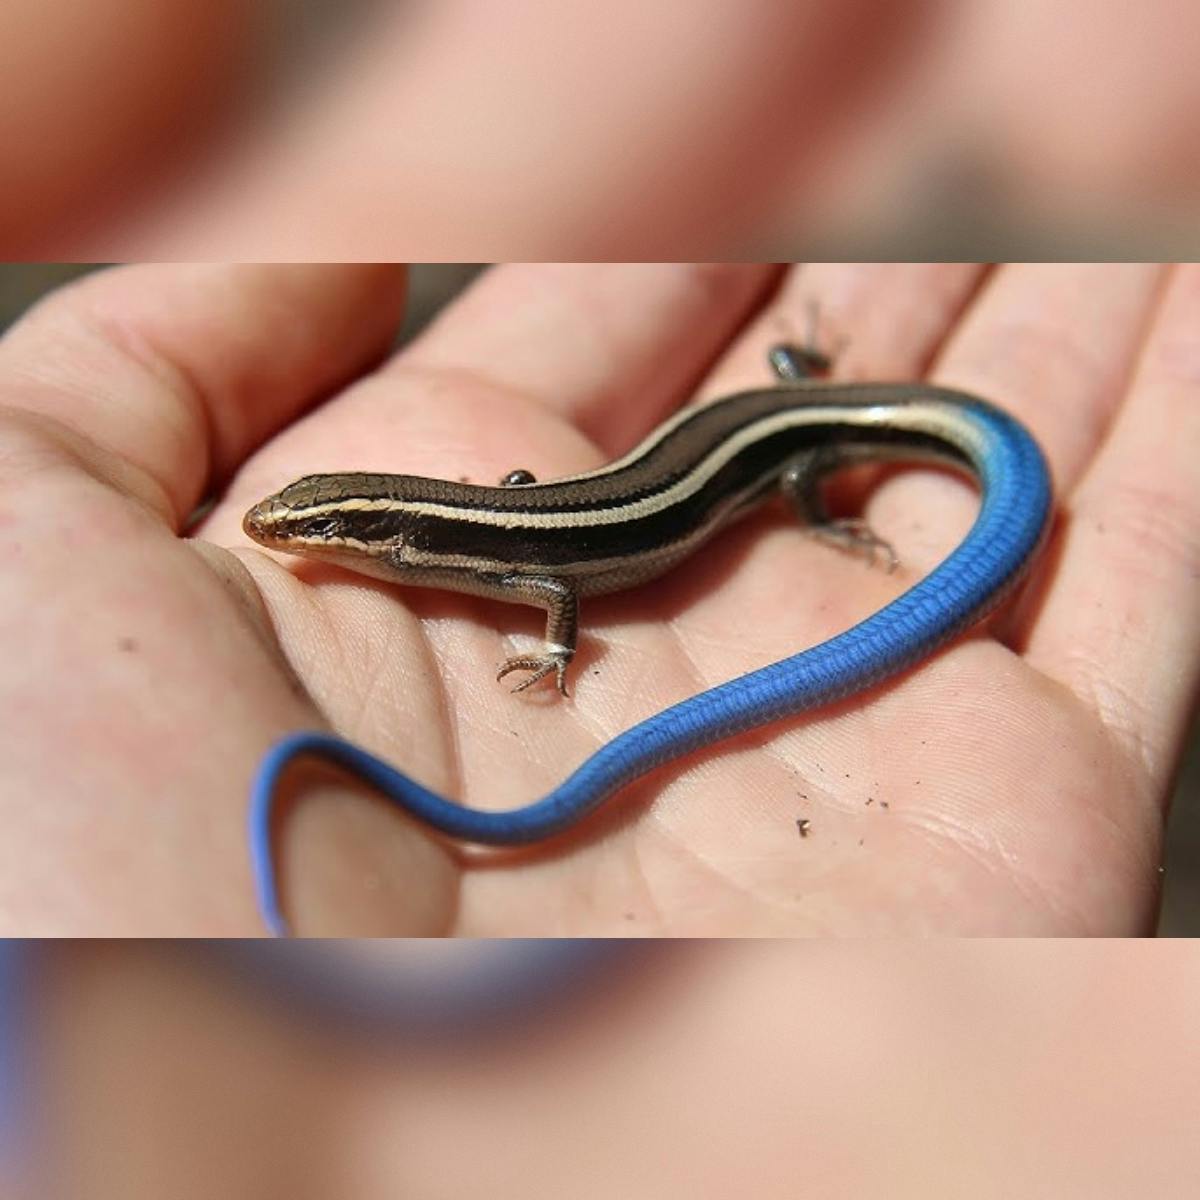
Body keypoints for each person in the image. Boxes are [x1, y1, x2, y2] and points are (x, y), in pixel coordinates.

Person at [0, 261, 1194, 935]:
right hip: (725, 438)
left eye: (323, 526)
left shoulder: (487, 559)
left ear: (384, 533)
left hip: (769, 452)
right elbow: (524, 510)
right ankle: (804, 401)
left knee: (785, 470)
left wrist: (566, 658)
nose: (293, 539)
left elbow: (552, 581)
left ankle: (816, 476)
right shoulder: (448, 541)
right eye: (306, 523)